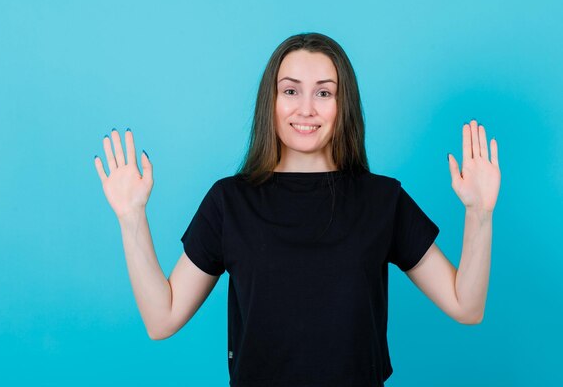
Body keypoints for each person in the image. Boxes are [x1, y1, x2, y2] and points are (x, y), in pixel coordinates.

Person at [93, 32, 501, 386]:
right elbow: (161, 319)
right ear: (270, 101)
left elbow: (466, 307)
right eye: (290, 90)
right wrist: (131, 219)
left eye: (324, 92)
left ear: (344, 106)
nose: (306, 108)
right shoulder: (229, 201)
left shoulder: (383, 200)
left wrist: (480, 214)